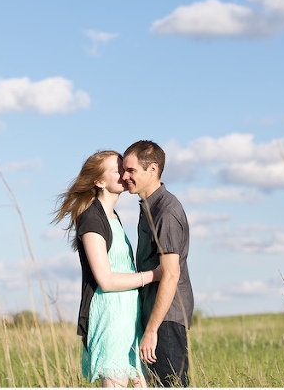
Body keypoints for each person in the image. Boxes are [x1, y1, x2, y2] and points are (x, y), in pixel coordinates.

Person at [53, 149, 162, 388]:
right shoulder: (91, 218)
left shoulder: (113, 216)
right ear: (99, 181)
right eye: (117, 170)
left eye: (125, 169)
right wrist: (155, 275)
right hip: (110, 313)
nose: (125, 175)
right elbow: (106, 280)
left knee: (142, 383)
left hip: (129, 313)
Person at [122, 141, 194, 388]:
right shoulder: (148, 208)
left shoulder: (166, 211)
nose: (124, 176)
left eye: (130, 170)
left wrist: (152, 329)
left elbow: (171, 275)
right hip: (156, 317)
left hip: (166, 319)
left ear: (152, 170)